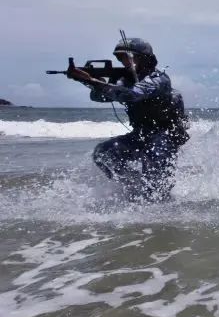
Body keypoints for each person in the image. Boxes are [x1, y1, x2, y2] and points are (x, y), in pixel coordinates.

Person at [64, 36, 189, 202]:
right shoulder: (125, 80)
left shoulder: (159, 79)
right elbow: (99, 97)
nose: (125, 62)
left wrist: (92, 81)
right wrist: (93, 83)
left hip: (163, 137)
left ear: (144, 58)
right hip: (140, 135)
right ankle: (133, 187)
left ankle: (162, 208)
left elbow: (133, 94)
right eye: (121, 58)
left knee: (157, 188)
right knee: (103, 153)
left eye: (129, 58)